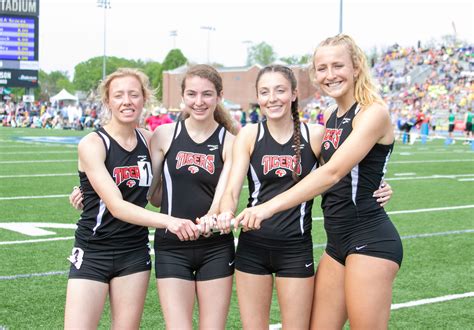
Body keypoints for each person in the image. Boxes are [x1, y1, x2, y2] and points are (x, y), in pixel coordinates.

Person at [233, 35, 403, 329]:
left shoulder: (373, 111)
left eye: (338, 65)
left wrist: (265, 208)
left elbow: (331, 173)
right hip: (337, 242)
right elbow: (341, 169)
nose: (330, 74)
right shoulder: (333, 116)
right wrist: (380, 182)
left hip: (370, 238)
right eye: (322, 68)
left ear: (356, 67)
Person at [64, 68, 199, 329]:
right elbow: (115, 206)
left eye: (134, 94)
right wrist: (169, 222)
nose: (127, 101)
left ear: (144, 99)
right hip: (94, 250)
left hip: (134, 253)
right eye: (119, 95)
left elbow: (159, 195)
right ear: (108, 101)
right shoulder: (93, 143)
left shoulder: (150, 141)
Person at [146, 64, 238, 329]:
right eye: (192, 94)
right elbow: (151, 194)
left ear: (219, 96)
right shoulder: (164, 135)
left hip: (215, 247)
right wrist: (85, 188)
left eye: (207, 94)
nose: (199, 102)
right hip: (171, 246)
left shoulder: (230, 141)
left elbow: (227, 194)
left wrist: (215, 215)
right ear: (182, 97)